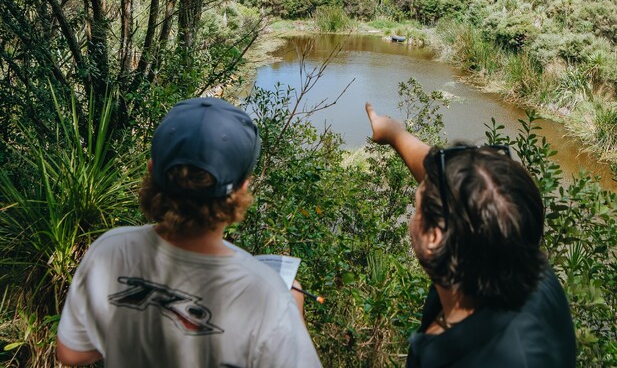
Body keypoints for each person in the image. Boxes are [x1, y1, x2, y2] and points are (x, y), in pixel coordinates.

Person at [56, 97, 322, 367]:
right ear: (242, 188)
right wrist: (293, 308)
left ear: (151, 171)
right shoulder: (265, 294)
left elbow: (72, 353)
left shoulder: (110, 250)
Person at [365, 102, 576, 368]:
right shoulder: (517, 257)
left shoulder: (484, 359)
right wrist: (395, 133)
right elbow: (465, 189)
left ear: (434, 238)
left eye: (417, 205)